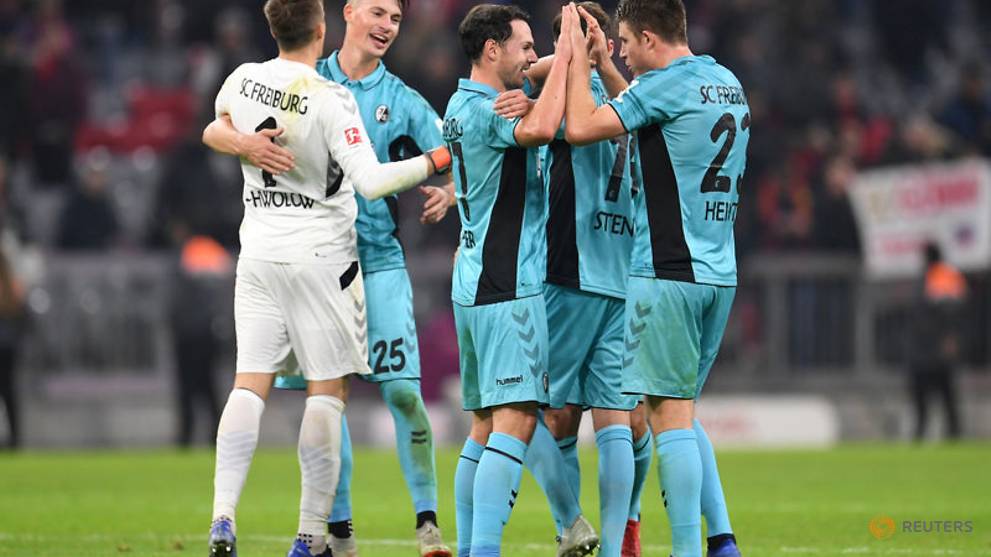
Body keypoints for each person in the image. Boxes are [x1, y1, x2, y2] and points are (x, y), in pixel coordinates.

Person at [199, 0, 450, 555]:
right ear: (335, 20)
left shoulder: (249, 78)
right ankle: (325, 534)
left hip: (309, 257)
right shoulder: (325, 93)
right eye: (379, 12)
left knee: (262, 386)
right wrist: (434, 163)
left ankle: (224, 517)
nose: (387, 26)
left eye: (396, 18)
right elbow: (373, 180)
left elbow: (214, 126)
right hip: (324, 261)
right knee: (328, 393)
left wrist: (244, 142)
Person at [562, 1, 748, 556]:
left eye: (622, 41)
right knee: (682, 411)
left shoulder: (662, 87)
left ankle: (689, 549)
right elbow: (652, 112)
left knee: (668, 419)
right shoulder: (724, 81)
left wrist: (577, 57)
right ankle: (722, 542)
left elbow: (581, 127)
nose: (619, 50)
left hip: (667, 271)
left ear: (648, 37)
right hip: (718, 273)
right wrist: (604, 67)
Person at [497, 4, 648, 556]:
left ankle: (570, 522)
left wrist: (549, 77)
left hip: (569, 273)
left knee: (522, 405)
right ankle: (618, 539)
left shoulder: (569, 99)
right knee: (615, 419)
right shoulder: (631, 102)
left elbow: (525, 92)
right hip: (620, 278)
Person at [444, 4, 576, 556]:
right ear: (491, 49)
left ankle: (471, 548)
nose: (532, 57)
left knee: (482, 428)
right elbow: (542, 128)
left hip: (472, 283)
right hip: (508, 286)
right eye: (524, 47)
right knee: (516, 423)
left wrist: (543, 74)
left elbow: (531, 92)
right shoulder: (492, 109)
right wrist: (567, 53)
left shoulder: (459, 104)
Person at [907, 242, 965, 441]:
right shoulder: (931, 276)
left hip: (935, 346)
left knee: (944, 392)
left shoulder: (942, 276)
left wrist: (950, 336)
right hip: (923, 346)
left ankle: (952, 432)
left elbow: (952, 311)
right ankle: (926, 430)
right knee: (927, 393)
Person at [0, 248, 23, 450]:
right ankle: (14, 437)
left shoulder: (10, 284)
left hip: (5, 345)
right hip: (8, 345)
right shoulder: (11, 284)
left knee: (7, 391)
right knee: (8, 392)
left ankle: (14, 438)